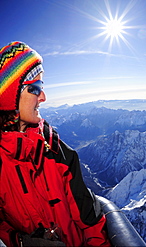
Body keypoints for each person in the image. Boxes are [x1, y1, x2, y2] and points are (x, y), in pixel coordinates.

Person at [0, 41, 110, 246]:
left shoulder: (54, 148)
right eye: (34, 88)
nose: (43, 97)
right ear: (9, 98)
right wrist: (21, 242)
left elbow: (89, 217)